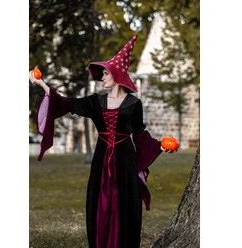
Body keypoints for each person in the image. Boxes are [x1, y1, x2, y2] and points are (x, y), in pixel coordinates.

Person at [29, 34, 177, 248]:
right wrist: (42, 84)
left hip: (125, 160)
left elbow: (140, 133)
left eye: (106, 73)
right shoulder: (96, 101)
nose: (102, 77)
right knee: (100, 201)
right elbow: (67, 103)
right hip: (101, 159)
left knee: (124, 203)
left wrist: (161, 147)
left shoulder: (134, 104)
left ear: (117, 75)